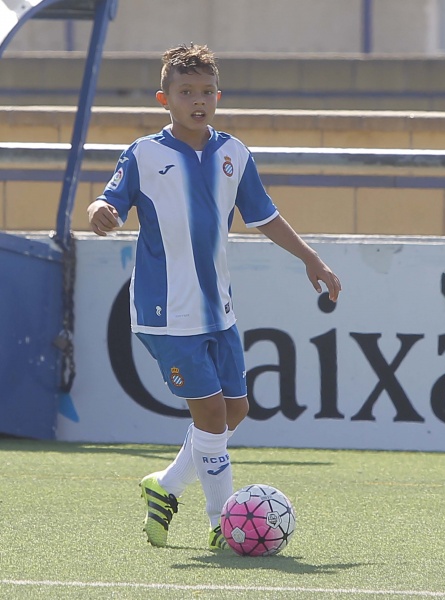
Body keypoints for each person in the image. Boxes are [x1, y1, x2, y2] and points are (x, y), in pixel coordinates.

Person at [88, 43, 341, 551]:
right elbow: (108, 197)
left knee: (235, 409)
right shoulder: (143, 153)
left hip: (218, 307)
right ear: (166, 99)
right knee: (210, 418)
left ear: (218, 96)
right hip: (166, 312)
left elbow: (263, 214)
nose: (197, 100)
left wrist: (310, 257)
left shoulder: (234, 153)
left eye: (206, 92)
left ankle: (166, 485)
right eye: (186, 92)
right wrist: (99, 209)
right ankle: (221, 523)